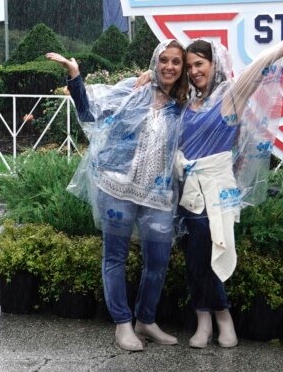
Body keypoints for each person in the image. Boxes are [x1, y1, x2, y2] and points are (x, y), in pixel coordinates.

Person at [176, 13, 283, 348]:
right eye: (190, 66)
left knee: (213, 250)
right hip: (187, 191)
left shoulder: (231, 94)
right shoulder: (186, 104)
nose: (195, 71)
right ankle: (203, 320)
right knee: (193, 257)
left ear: (213, 63)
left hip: (218, 188)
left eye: (200, 63)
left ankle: (223, 318)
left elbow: (268, 58)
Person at [46, 42, 187, 352]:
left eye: (176, 61)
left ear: (183, 67)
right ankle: (123, 324)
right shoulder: (133, 90)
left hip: (159, 194)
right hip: (117, 186)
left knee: (158, 261)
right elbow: (89, 112)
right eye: (163, 59)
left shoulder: (184, 103)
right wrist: (75, 76)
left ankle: (146, 321)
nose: (169, 66)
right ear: (155, 61)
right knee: (115, 257)